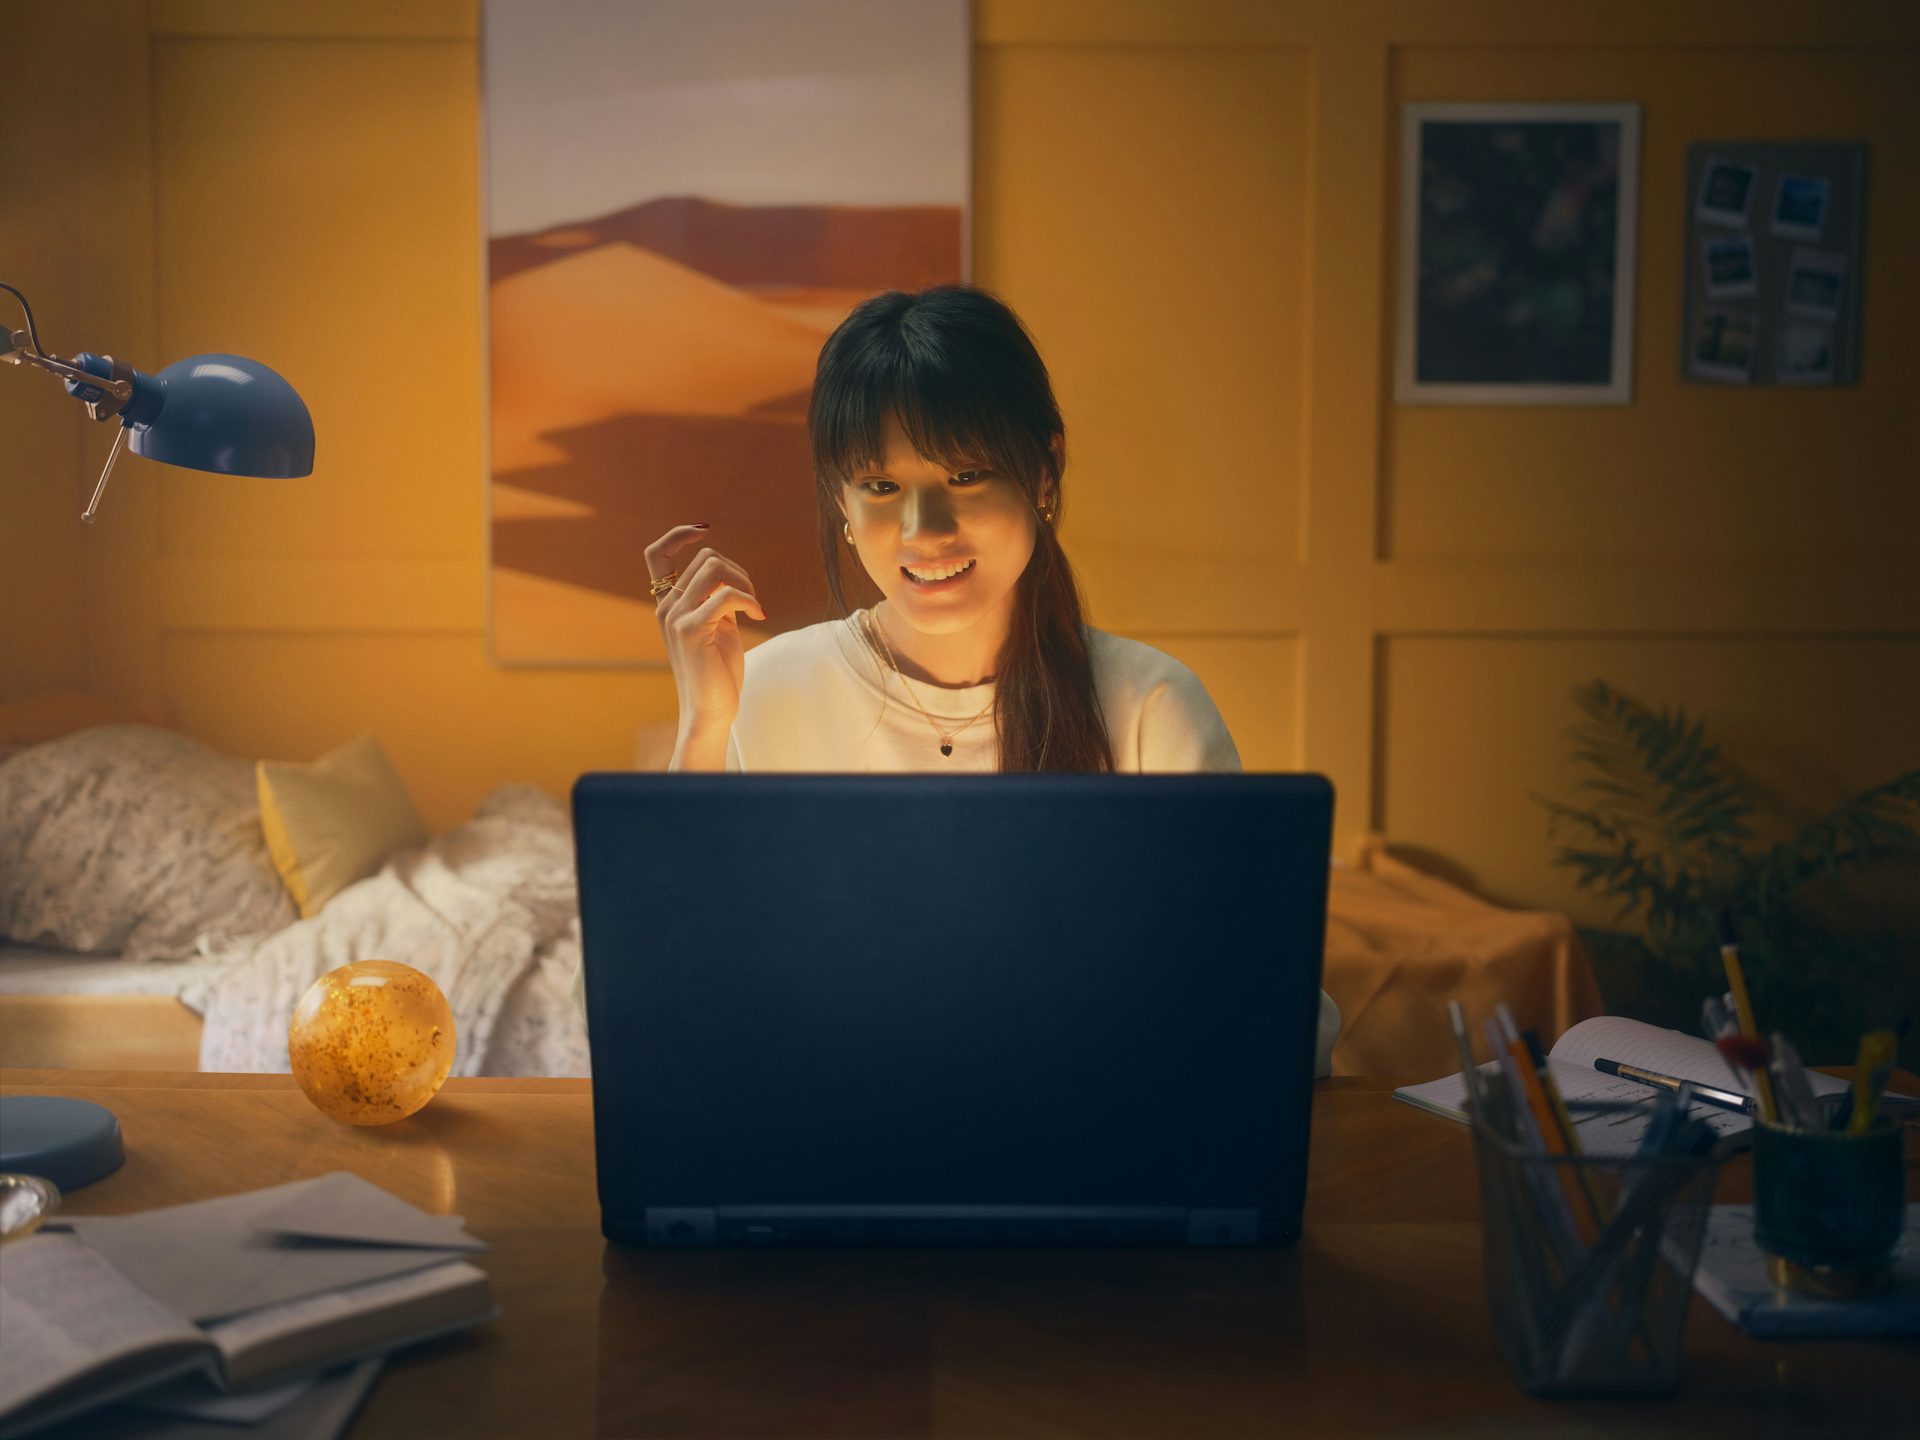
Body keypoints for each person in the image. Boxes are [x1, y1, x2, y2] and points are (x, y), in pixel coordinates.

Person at [638, 284, 1338, 1075]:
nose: (923, 531)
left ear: (1045, 473)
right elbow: (650, 1005)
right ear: (840, 498)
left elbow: (1278, 1021)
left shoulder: (1151, 706)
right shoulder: (763, 695)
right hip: (834, 1153)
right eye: (880, 486)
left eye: (967, 475)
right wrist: (701, 727)